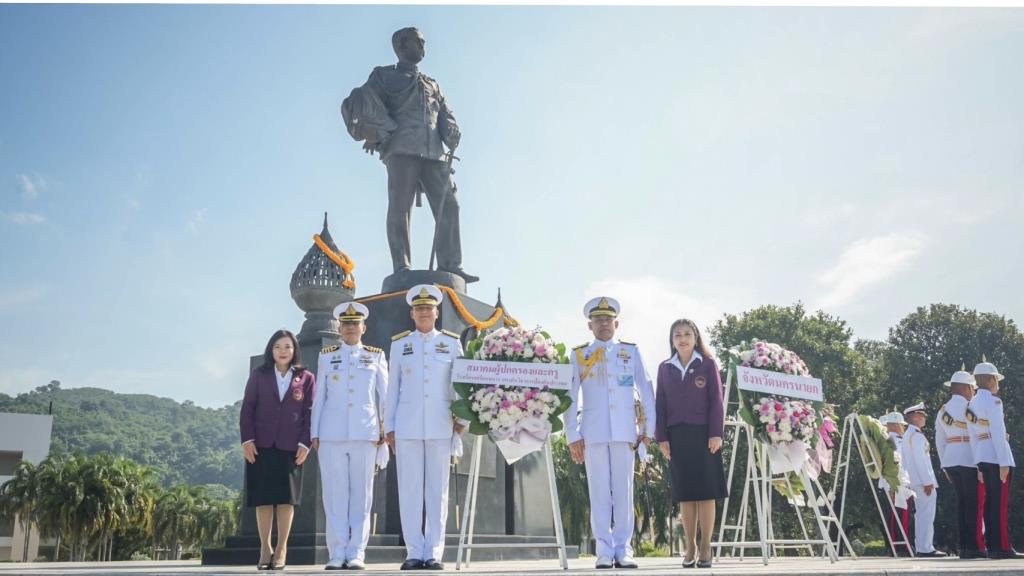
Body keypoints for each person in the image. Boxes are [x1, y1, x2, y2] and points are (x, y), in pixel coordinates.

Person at [347, 27, 477, 283]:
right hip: (401, 147)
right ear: (400, 46)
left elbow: (445, 114)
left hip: (434, 152)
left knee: (449, 204)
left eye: (423, 42)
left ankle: (451, 264)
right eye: (418, 42)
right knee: (400, 207)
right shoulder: (383, 76)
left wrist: (451, 128)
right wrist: (376, 131)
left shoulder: (432, 83)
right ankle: (401, 265)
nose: (423, 46)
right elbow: (364, 103)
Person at [563, 297, 655, 569]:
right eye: (598, 320)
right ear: (589, 325)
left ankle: (623, 549)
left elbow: (646, 390)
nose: (603, 324)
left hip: (626, 431)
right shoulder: (579, 354)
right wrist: (572, 434)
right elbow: (569, 395)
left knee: (624, 492)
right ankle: (603, 549)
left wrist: (647, 429)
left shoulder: (631, 351)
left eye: (608, 319)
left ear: (616, 323)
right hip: (592, 432)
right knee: (599, 492)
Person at [383, 284, 466, 570]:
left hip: (442, 424)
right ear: (412, 313)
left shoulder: (452, 343)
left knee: (437, 491)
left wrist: (462, 419)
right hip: (406, 426)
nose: (423, 312)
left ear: (436, 311)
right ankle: (414, 551)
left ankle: (434, 551)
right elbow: (392, 388)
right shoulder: (399, 345)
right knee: (409, 490)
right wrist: (389, 426)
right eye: (419, 308)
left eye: (428, 308)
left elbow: (460, 384)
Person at [311, 302, 389, 570]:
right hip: (331, 434)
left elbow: (385, 397)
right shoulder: (326, 356)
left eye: (355, 324)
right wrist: (315, 432)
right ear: (339, 328)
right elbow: (319, 397)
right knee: (334, 496)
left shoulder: (376, 356)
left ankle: (356, 551)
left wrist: (384, 430)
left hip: (365, 433)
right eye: (346, 324)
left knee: (361, 496)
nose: (350, 328)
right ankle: (336, 551)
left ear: (363, 327)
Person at [239, 329, 315, 570]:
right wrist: (247, 440)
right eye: (278, 347)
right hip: (261, 446)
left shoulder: (305, 377)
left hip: (291, 447)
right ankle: (265, 547)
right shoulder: (259, 375)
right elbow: (247, 409)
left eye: (287, 347)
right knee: (264, 500)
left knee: (285, 501)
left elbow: (309, 412)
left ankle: (281, 548)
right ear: (270, 350)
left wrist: (306, 443)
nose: (283, 351)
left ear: (294, 351)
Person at [654, 319, 726, 568]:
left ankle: (706, 544)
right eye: (677, 335)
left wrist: (716, 433)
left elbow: (717, 401)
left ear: (696, 337)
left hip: (705, 435)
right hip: (676, 436)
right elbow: (660, 404)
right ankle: (690, 545)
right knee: (685, 494)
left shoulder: (707, 363)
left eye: (687, 334)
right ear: (672, 340)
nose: (682, 339)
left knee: (706, 492)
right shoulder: (665, 367)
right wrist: (661, 437)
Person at [967, 357, 1022, 559]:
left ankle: (993, 545)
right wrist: (1004, 462)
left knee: (990, 503)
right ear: (991, 380)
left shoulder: (971, 403)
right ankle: (1002, 546)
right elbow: (998, 433)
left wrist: (977, 464)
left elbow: (973, 435)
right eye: (996, 379)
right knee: (999, 504)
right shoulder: (994, 401)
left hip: (982, 454)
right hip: (997, 457)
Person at [935, 368, 986, 559]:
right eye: (971, 388)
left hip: (951, 459)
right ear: (966, 388)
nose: (972, 391)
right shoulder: (970, 407)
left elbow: (939, 440)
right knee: (974, 504)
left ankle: (963, 546)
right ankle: (975, 546)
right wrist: (980, 463)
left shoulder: (943, 410)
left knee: (962, 504)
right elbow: (975, 435)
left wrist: (943, 465)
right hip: (969, 458)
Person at [901, 403, 946, 557]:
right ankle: (926, 547)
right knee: (926, 515)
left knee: (922, 515)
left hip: (915, 480)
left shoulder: (909, 435)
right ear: (913, 417)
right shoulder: (917, 436)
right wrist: (928, 482)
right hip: (922, 482)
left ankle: (923, 546)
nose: (924, 418)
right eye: (921, 415)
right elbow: (921, 461)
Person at [877, 409, 914, 556]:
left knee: (896, 516)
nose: (902, 427)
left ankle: (897, 546)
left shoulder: (893, 440)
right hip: (898, 482)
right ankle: (901, 547)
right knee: (900, 516)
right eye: (900, 425)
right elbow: (896, 463)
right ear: (892, 425)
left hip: (897, 482)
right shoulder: (893, 441)